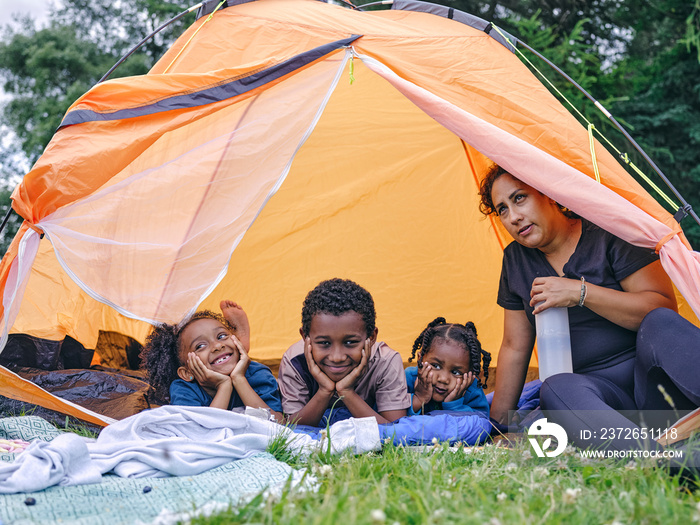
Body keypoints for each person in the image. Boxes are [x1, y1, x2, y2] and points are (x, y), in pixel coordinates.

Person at [478, 164, 700, 452]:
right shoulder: (516, 261)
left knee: (659, 322)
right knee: (555, 387)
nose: (514, 217)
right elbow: (514, 346)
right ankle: (655, 460)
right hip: (599, 402)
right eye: (502, 210)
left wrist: (580, 292)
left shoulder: (606, 232)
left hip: (656, 386)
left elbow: (661, 309)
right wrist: (496, 427)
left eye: (519, 198)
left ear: (547, 192)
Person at [278, 278, 410, 426]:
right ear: (305, 337)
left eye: (350, 342)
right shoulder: (295, 362)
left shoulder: (386, 362)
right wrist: (324, 391)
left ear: (371, 337)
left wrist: (346, 392)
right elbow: (291, 429)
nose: (337, 357)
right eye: (324, 343)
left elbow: (395, 430)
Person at [140, 300, 284, 422]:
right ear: (186, 372)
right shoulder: (184, 389)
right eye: (200, 346)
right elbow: (200, 432)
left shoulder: (258, 374)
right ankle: (237, 349)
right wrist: (224, 386)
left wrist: (239, 379)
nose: (217, 346)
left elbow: (278, 424)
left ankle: (239, 350)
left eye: (221, 336)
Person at [406, 317, 491, 417]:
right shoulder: (408, 379)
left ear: (470, 374)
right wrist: (419, 398)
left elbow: (482, 422)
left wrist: (454, 405)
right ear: (420, 359)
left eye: (456, 373)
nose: (443, 379)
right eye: (436, 366)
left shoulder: (471, 390)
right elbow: (393, 418)